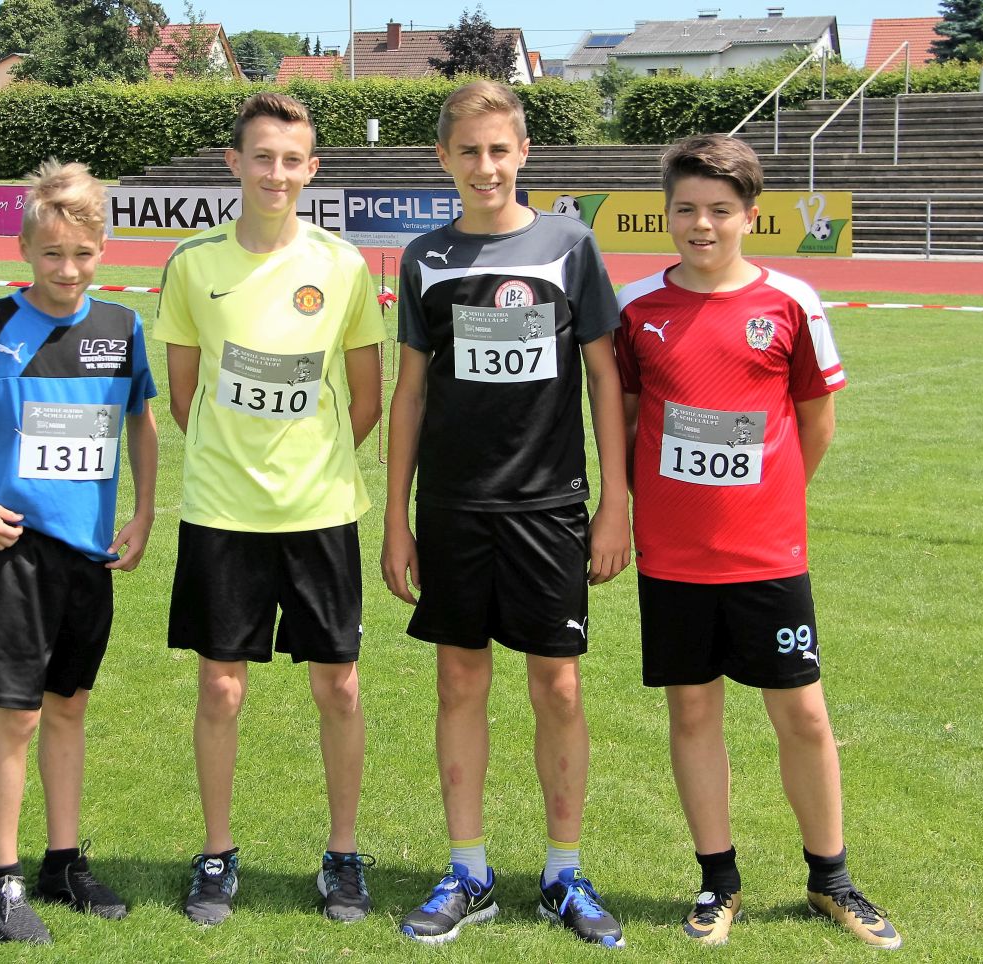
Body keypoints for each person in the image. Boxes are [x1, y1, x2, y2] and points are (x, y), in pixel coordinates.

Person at [614, 133, 901, 950]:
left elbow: (815, 422)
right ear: (665, 212)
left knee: (803, 715)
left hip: (769, 556)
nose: (701, 225)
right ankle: (717, 882)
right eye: (685, 210)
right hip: (670, 558)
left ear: (750, 216)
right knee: (694, 712)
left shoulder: (791, 303)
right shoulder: (638, 308)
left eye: (719, 211)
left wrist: (767, 502)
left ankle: (832, 878)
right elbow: (625, 422)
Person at [382, 80, 630, 948]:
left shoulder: (570, 245)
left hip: (550, 508)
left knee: (556, 684)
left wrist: (614, 504)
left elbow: (605, 377)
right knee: (459, 682)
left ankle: (564, 873)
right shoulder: (425, 257)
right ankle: (469, 870)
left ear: (523, 153)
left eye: (500, 149)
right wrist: (395, 520)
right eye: (468, 151)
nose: (485, 166)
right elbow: (410, 393)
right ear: (443, 159)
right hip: (452, 506)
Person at [0, 160, 159, 945]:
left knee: (70, 710)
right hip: (15, 553)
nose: (67, 269)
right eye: (52, 254)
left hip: (89, 559)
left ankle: (61, 863)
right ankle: (0, 878)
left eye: (82, 253)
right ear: (25, 249)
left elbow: (142, 421)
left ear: (103, 249)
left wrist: (145, 512)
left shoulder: (123, 328)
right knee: (15, 718)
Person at [154, 92, 384, 926]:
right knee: (219, 690)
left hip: (320, 512)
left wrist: (305, 464)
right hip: (221, 512)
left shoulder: (345, 266)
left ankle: (343, 856)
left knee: (342, 689)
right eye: (262, 157)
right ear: (235, 164)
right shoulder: (192, 265)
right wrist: (242, 460)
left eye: (292, 160)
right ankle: (215, 857)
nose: (276, 173)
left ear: (311, 169)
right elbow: (186, 400)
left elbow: (366, 403)